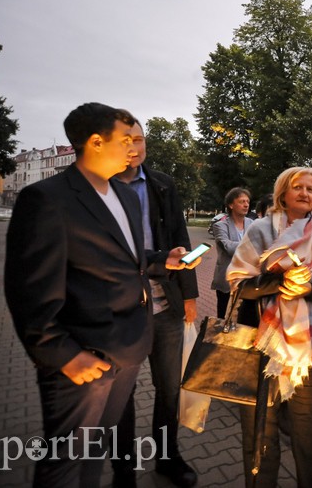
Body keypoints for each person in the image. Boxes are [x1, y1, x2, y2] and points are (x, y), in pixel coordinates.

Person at [4, 103, 195, 487]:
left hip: (127, 349)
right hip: (81, 357)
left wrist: (163, 260)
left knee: (91, 462)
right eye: (126, 139)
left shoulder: (123, 195)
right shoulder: (46, 199)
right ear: (95, 142)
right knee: (66, 466)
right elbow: (27, 291)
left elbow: (128, 256)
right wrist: (63, 354)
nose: (134, 147)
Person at [226, 167, 312, 487]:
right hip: (260, 344)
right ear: (283, 192)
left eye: (311, 189)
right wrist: (280, 282)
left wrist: (308, 289)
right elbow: (238, 282)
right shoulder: (261, 230)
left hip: (309, 349)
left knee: (308, 432)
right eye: (298, 187)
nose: (305, 193)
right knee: (260, 430)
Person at [113, 118, 201, 487]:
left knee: (169, 390)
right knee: (121, 397)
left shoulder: (162, 183)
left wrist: (190, 294)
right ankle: (123, 471)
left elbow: (180, 236)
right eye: (125, 140)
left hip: (166, 305)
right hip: (120, 311)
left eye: (139, 139)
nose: (134, 147)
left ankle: (167, 457)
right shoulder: (100, 186)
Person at [211, 187, 255, 318]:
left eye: (247, 201)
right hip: (227, 280)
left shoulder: (252, 224)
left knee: (245, 320)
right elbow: (228, 247)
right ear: (231, 205)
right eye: (242, 201)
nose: (246, 205)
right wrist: (251, 245)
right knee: (224, 318)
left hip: (248, 280)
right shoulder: (220, 225)